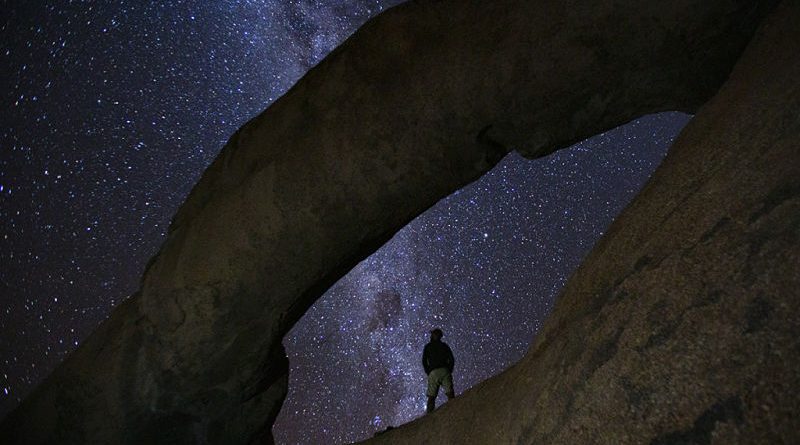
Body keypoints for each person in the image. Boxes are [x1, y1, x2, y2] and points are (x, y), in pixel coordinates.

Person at [422, 328, 455, 413]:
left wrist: (428, 372)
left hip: (433, 373)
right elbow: (451, 359)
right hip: (445, 371)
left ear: (432, 336)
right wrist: (449, 370)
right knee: (450, 393)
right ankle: (454, 411)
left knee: (431, 396)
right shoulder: (445, 346)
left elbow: (424, 361)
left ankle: (428, 417)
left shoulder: (428, 346)